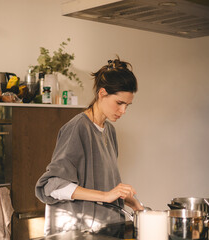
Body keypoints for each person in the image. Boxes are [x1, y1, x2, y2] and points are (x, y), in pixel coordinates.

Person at [35, 57, 143, 236]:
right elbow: (52, 185)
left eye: (127, 105)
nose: (123, 111)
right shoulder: (77, 128)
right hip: (76, 231)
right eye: (119, 103)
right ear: (102, 94)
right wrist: (106, 195)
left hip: (104, 229)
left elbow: (102, 184)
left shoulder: (109, 131)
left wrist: (131, 202)